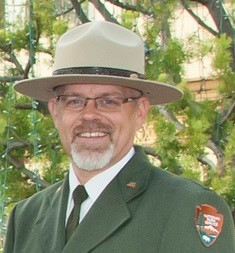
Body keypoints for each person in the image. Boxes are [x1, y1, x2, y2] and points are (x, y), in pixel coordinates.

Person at [4, 20, 235, 253]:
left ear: (140, 111)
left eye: (109, 101)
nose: (89, 115)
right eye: (74, 101)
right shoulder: (26, 217)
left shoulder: (185, 209)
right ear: (55, 111)